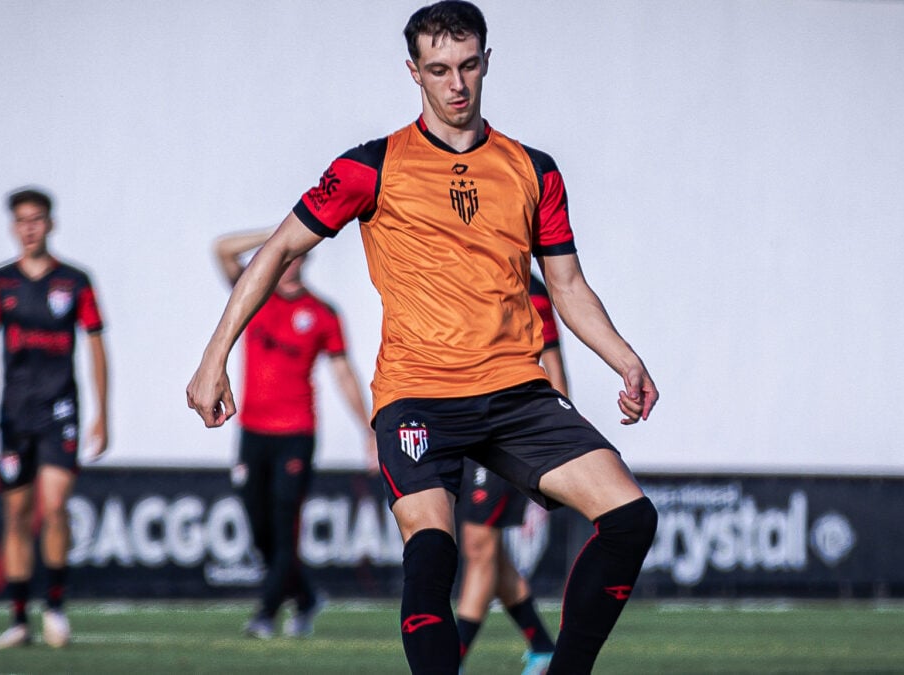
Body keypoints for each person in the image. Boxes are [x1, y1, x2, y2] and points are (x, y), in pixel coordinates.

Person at [186, 2, 659, 672]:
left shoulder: (534, 170)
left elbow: (568, 287)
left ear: (487, 62)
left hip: (516, 390)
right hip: (418, 398)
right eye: (438, 69)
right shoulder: (370, 168)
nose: (456, 83)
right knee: (433, 548)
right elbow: (278, 249)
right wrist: (214, 356)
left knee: (631, 517)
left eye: (468, 66)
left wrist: (625, 360)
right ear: (414, 72)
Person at [212, 228, 376, 639]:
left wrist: (368, 427)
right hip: (253, 431)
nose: (289, 263)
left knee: (286, 526)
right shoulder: (255, 294)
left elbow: (342, 372)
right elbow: (222, 250)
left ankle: (265, 614)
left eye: (296, 255)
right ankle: (304, 596)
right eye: (283, 256)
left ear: (305, 259)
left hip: (297, 433)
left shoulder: (321, 313)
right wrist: (280, 231)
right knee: (259, 529)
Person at [0, 187, 109, 649]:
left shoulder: (75, 281)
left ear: (50, 223)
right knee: (16, 515)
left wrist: (103, 414)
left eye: (37, 219)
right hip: (14, 414)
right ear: (14, 227)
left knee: (54, 508)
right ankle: (17, 618)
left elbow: (95, 347)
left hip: (61, 411)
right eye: (22, 220)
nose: (29, 228)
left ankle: (54, 608)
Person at [456, 274, 564, 675]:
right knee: (486, 549)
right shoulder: (460, 273)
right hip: (465, 426)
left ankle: (452, 657)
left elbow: (552, 359)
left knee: (479, 546)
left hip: (509, 431)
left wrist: (559, 439)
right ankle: (542, 645)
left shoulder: (529, 289)